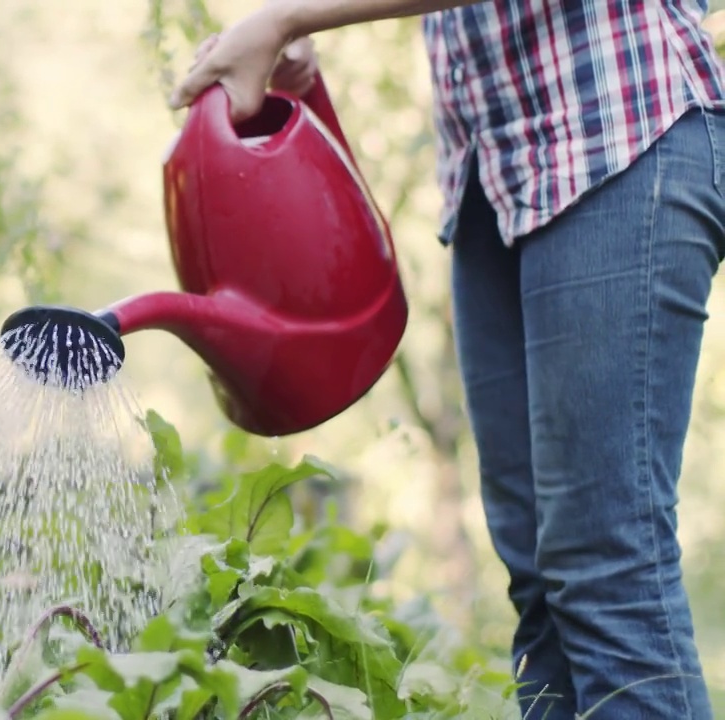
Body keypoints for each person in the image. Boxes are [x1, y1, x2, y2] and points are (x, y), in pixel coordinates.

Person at [171, 1, 725, 718]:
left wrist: (285, 19)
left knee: (605, 570)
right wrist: (299, 42)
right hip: (495, 178)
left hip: (615, 129)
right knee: (540, 586)